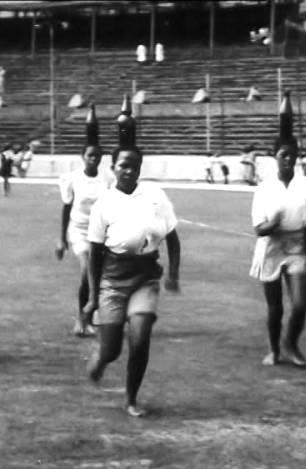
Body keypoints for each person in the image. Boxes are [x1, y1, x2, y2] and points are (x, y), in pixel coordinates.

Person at [82, 95, 181, 417]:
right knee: (112, 350)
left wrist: (173, 274)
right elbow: (95, 253)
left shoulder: (155, 195)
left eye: (134, 165)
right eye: (123, 165)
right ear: (113, 169)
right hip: (112, 278)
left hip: (145, 278)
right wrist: (93, 297)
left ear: (140, 168)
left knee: (140, 338)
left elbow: (172, 237)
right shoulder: (104, 203)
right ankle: (101, 355)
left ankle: (131, 398)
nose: (128, 170)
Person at [249, 91, 306, 367]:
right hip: (270, 247)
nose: (289, 160)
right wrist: (274, 222)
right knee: (275, 307)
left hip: (295, 248)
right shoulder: (265, 188)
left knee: (301, 305)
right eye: (283, 155)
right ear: (274, 156)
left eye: (293, 155)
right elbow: (259, 229)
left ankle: (291, 343)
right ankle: (273, 349)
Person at [56, 104, 111, 337]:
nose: (94, 159)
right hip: (78, 230)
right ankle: (81, 318)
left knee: (98, 275)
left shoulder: (107, 179)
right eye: (90, 155)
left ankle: (93, 314)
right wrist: (61, 239)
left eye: (97, 156)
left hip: (101, 232)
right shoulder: (73, 178)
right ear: (83, 157)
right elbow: (66, 207)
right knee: (86, 271)